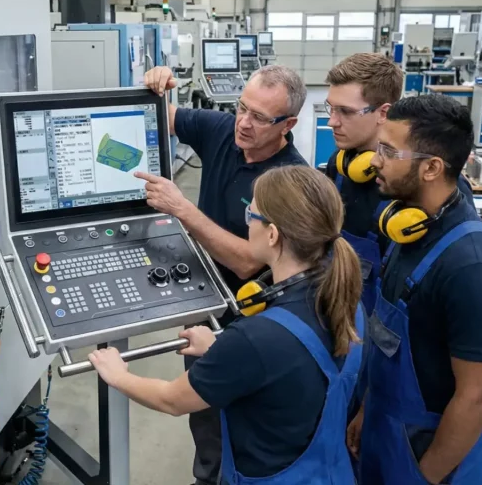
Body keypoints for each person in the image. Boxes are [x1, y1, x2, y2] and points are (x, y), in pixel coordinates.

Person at [88, 165, 364, 485]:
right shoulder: (345, 300)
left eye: (252, 213)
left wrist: (118, 375)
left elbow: (172, 399)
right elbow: (292, 372)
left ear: (272, 234)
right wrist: (220, 351)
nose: (248, 221)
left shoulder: (256, 338)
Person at [139, 64, 307, 485]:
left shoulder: (289, 181)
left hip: (253, 320)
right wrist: (153, 85)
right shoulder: (221, 130)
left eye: (259, 118)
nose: (244, 124)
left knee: (235, 430)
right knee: (205, 422)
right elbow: (159, 113)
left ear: (289, 125)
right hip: (205, 306)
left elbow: (251, 261)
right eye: (241, 108)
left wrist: (182, 209)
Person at [346, 94, 482, 484]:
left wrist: (425, 476)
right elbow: (387, 343)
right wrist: (366, 409)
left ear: (432, 168)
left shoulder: (473, 266)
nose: (374, 161)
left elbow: (478, 398)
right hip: (386, 431)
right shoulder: (408, 228)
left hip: (431, 454)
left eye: (389, 152)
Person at [323, 53, 475, 317]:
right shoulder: (341, 165)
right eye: (331, 108)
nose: (332, 121)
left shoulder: (431, 185)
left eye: (345, 111)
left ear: (383, 112)